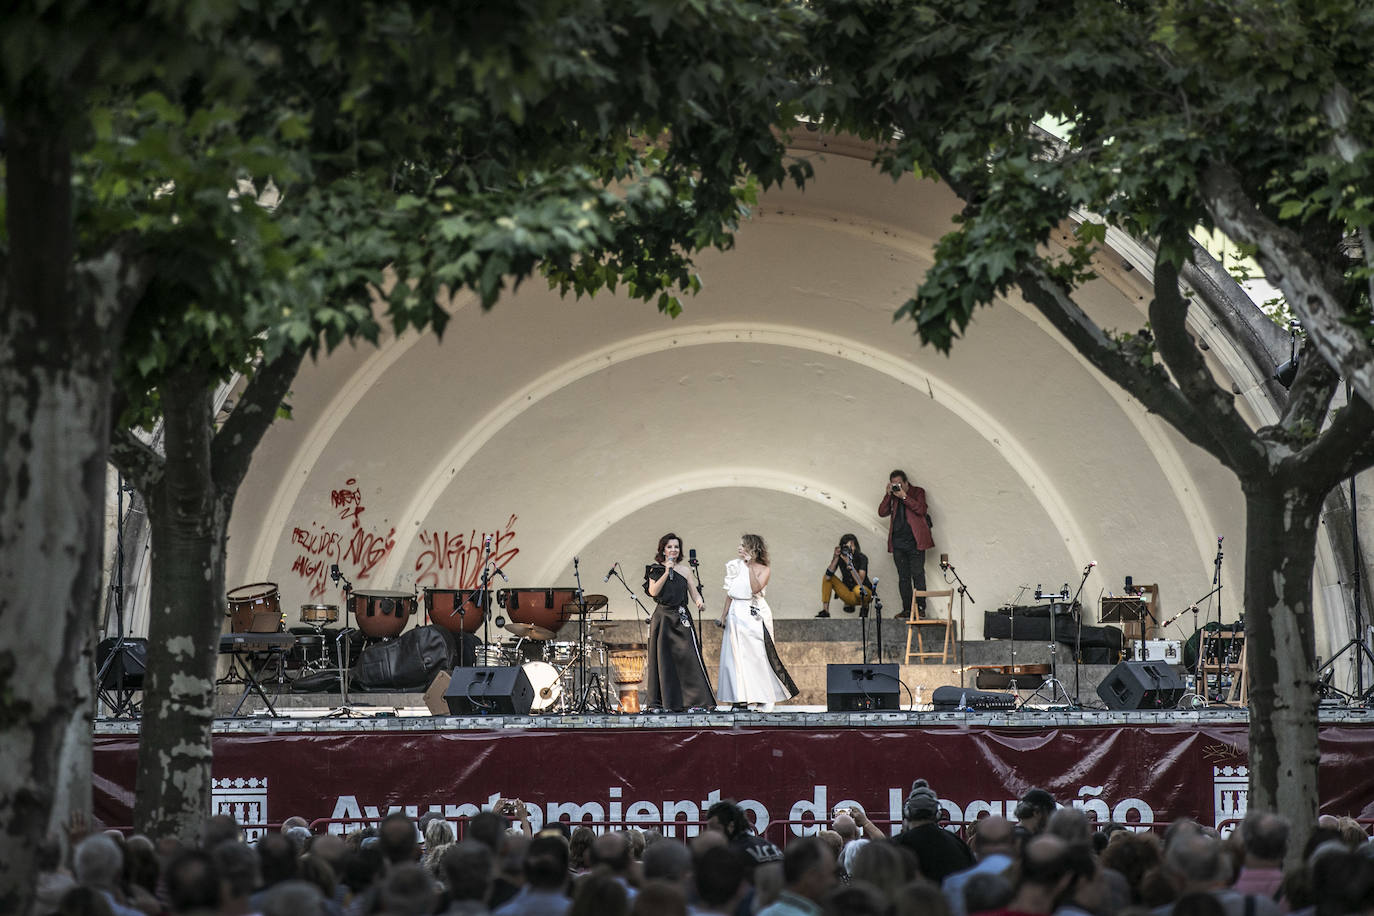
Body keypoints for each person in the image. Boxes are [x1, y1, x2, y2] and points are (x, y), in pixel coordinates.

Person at [716, 534, 798, 711]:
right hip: (736, 613)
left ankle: (763, 696)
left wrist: (749, 567)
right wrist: (723, 615)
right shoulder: (734, 566)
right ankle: (739, 698)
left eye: (743, 545)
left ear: (753, 548)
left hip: (754, 613)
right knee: (735, 656)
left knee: (756, 655)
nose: (739, 548)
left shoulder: (764, 569)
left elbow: (755, 588)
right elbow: (730, 593)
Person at [643, 533, 716, 713]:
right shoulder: (655, 569)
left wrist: (699, 601)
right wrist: (666, 572)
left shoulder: (685, 570)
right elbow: (653, 592)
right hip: (663, 618)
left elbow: (694, 591)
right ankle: (661, 702)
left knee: (689, 657)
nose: (673, 550)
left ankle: (696, 701)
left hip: (681, 616)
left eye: (676, 547)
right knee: (663, 660)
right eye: (669, 547)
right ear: (663, 550)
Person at [878, 469, 934, 618]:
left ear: (906, 482)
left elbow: (921, 509)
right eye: (894, 484)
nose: (897, 487)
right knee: (903, 577)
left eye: (899, 484)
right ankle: (907, 609)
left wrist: (904, 496)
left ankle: (920, 608)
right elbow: (882, 512)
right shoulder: (892, 496)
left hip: (915, 542)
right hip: (898, 543)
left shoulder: (918, 492)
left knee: (918, 574)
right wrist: (888, 495)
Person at [817, 534, 873, 618]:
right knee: (827, 578)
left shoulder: (862, 558)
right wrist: (836, 557)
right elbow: (828, 576)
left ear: (856, 547)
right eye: (846, 547)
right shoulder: (841, 557)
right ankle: (825, 611)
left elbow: (860, 581)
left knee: (858, 589)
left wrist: (849, 563)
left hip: (865, 594)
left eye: (851, 546)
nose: (849, 550)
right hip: (849, 594)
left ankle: (864, 608)